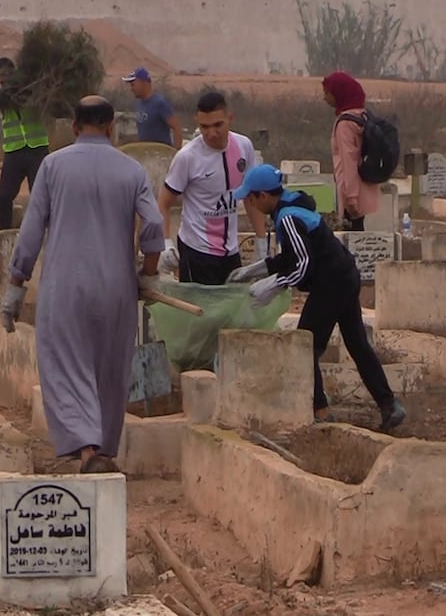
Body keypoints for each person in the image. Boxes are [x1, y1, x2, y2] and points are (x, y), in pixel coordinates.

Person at [0, 95, 165, 473]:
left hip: (65, 289)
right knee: (110, 369)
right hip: (117, 289)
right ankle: (104, 448)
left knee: (67, 366)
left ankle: (88, 450)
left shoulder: (53, 166)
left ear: (74, 127)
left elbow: (31, 230)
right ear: (111, 127)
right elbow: (154, 224)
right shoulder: (131, 171)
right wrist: (148, 273)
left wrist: (16, 285)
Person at [229, 164, 407, 431]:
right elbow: (291, 257)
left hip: (331, 283)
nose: (248, 203)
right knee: (357, 344)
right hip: (344, 274)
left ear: (263, 195)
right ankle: (389, 405)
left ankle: (320, 411)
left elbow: (303, 265)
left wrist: (272, 286)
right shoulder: (292, 207)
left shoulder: (287, 218)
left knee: (305, 346)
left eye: (250, 198)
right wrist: (255, 270)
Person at [157, 91, 267, 285]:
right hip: (197, 249)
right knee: (200, 311)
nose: (211, 133)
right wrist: (165, 242)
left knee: (230, 310)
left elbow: (252, 197)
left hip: (230, 249)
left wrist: (261, 241)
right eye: (204, 127)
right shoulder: (188, 157)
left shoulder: (244, 147)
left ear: (230, 118)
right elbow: (163, 202)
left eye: (218, 125)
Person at [0, 56, 50, 230]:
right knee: (3, 196)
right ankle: (4, 234)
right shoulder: (1, 96)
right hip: (14, 152)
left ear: (13, 72)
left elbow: (34, 97)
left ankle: (47, 232)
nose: (1, 79)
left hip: (37, 149)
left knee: (41, 195)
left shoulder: (33, 90)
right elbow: (5, 98)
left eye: (4, 74)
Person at [323, 72, 380, 232]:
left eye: (327, 93)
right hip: (365, 187)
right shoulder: (362, 115)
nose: (325, 98)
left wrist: (351, 197)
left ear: (338, 93)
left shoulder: (345, 124)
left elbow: (349, 160)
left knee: (354, 238)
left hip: (352, 193)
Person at [122, 67, 183, 150]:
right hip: (145, 153)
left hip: (160, 154)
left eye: (133, 85)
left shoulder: (159, 103)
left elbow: (177, 128)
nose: (131, 89)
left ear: (144, 83)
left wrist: (176, 153)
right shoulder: (139, 103)